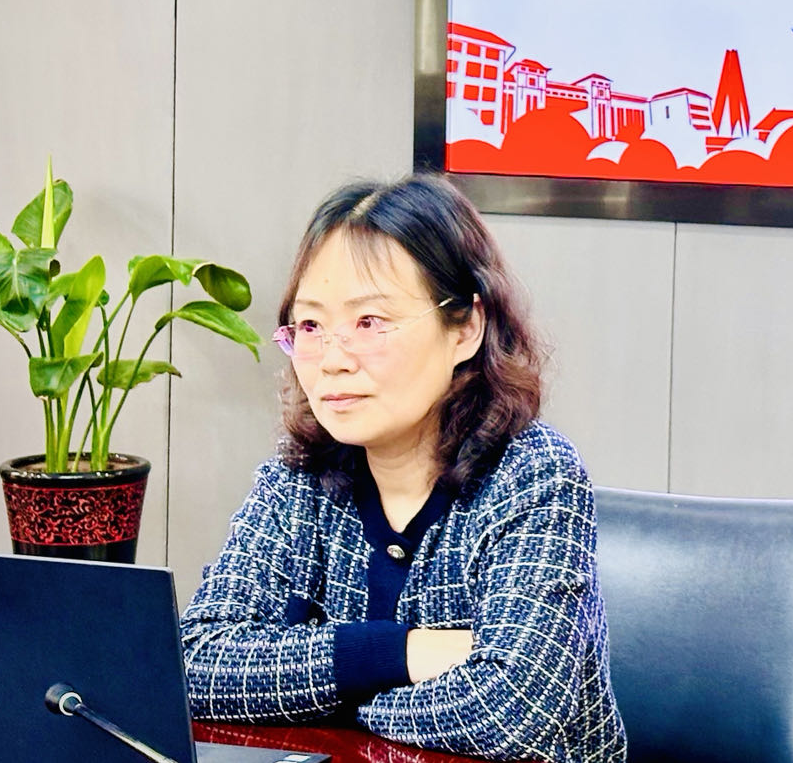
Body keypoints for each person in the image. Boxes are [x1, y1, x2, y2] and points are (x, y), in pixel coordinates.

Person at [180, 175, 626, 763]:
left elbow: (512, 712)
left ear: (465, 327)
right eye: (311, 327)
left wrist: (336, 696)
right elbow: (196, 663)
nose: (332, 361)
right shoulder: (299, 475)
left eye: (369, 322)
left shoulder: (534, 473)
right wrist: (398, 655)